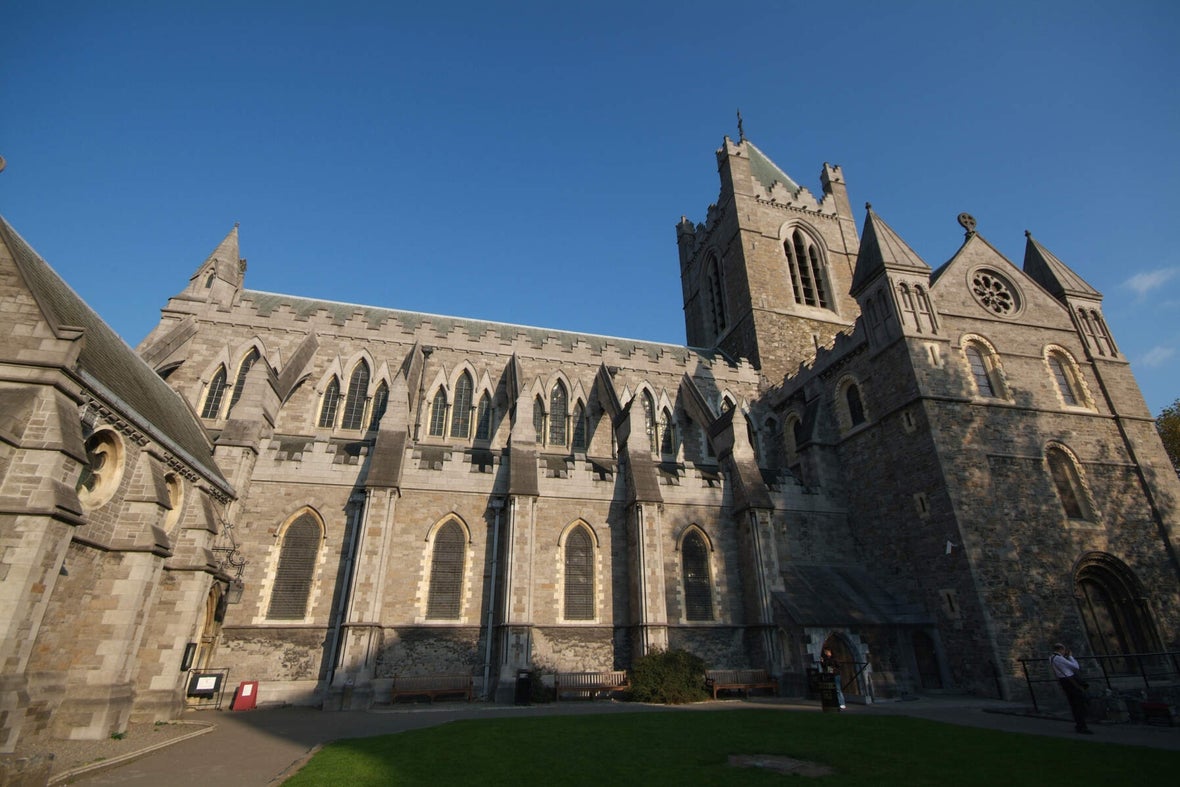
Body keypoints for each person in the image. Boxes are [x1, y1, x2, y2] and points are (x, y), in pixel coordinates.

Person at [1050, 643, 1092, 734]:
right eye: (1063, 650)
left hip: (1063, 681)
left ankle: (1080, 724)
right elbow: (1075, 666)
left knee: (1074, 704)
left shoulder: (1051, 658)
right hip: (1070, 682)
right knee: (1078, 704)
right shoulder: (1059, 658)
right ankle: (1082, 726)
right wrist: (1071, 657)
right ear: (1061, 649)